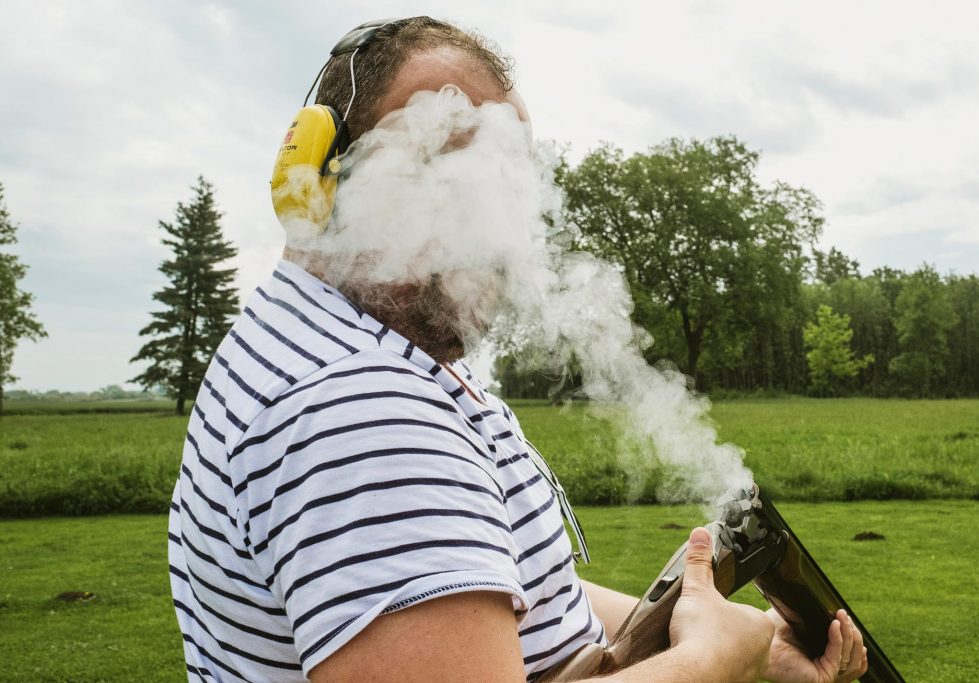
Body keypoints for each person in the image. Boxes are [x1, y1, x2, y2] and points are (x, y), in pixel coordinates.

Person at [168, 16, 868, 683]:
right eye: (468, 180)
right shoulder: (365, 409)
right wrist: (712, 660)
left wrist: (703, 630)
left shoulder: (324, 339)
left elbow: (514, 592)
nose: (507, 230)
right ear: (330, 176)